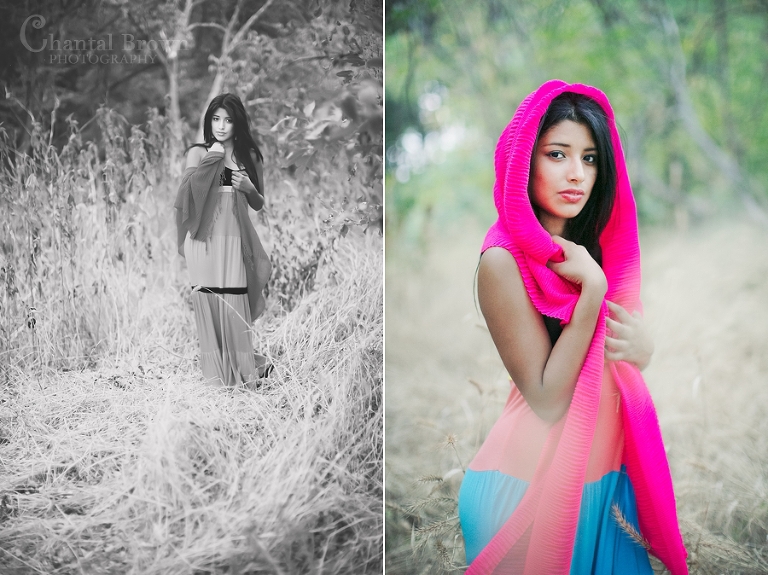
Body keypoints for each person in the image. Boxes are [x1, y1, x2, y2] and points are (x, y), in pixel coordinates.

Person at [457, 81, 688, 574]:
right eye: (557, 154)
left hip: (604, 488)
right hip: (524, 490)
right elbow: (547, 398)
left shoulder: (594, 251)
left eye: (590, 159)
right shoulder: (502, 260)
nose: (576, 174)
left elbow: (617, 359)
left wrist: (643, 349)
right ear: (523, 160)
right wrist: (592, 294)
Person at [174, 93, 273, 386]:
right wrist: (213, 158)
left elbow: (258, 203)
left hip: (233, 242)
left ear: (237, 123)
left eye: (228, 120)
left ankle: (244, 372)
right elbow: (187, 195)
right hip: (202, 242)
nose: (220, 126)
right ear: (209, 121)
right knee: (209, 304)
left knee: (233, 306)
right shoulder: (197, 153)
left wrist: (249, 187)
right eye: (215, 119)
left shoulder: (250, 157)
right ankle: (216, 378)